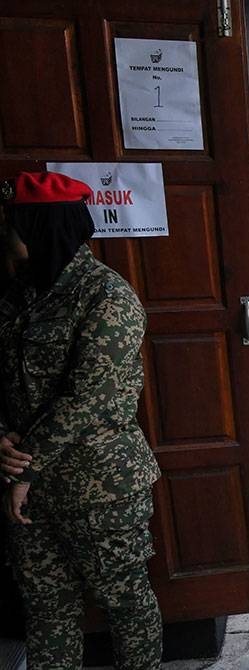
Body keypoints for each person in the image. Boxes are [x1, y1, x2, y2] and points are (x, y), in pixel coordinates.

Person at [0, 171, 162, 668]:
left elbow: (90, 399)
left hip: (99, 488)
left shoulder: (107, 298)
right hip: (27, 492)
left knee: (126, 605)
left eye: (12, 224)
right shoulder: (16, 294)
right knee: (47, 609)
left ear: (40, 228)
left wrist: (24, 469)